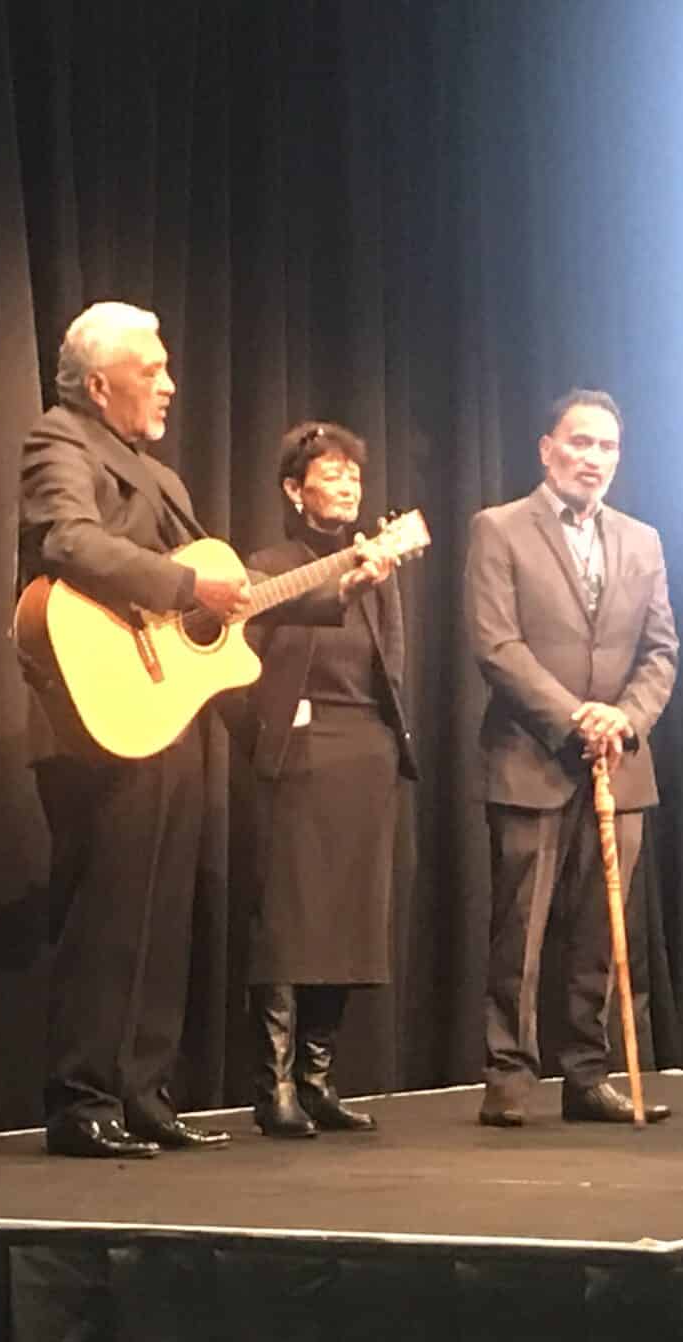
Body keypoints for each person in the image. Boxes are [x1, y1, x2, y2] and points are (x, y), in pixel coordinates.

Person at [17, 301, 252, 1158]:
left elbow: (218, 590)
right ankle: (83, 1099)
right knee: (109, 910)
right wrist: (185, 587)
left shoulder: (161, 477)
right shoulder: (60, 440)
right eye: (151, 370)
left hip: (165, 710)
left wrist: (333, 585)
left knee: (163, 910)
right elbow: (67, 541)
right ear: (97, 383)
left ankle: (145, 1092)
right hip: (100, 711)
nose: (170, 384)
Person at [465, 388, 680, 1127]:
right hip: (531, 756)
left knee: (599, 933)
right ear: (547, 449)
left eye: (607, 447)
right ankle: (508, 1077)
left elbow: (661, 651)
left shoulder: (643, 541)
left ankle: (588, 1074)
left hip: (619, 761)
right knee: (519, 931)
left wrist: (625, 717)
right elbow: (496, 643)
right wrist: (572, 717)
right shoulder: (499, 528)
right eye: (580, 442)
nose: (593, 458)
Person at [240, 422, 415, 1138]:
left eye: (354, 476)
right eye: (331, 473)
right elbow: (241, 663)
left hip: (364, 752)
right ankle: (274, 1085)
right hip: (299, 753)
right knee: (289, 921)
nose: (346, 486)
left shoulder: (377, 566)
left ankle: (317, 1081)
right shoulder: (267, 567)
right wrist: (266, 730)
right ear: (294, 489)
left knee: (346, 920)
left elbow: (389, 665)